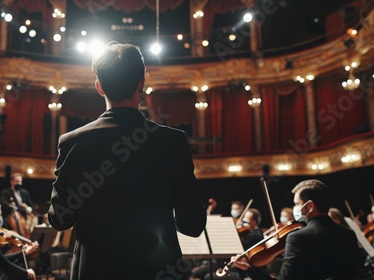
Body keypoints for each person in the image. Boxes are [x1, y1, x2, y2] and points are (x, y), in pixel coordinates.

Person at [48, 42, 206, 280]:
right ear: (141, 84)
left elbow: (60, 220)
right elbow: (192, 225)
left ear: (99, 87)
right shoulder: (173, 141)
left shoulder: (72, 142)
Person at [233, 179, 363, 279]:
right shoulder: (348, 234)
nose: (295, 208)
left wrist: (249, 269)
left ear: (310, 206)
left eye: (297, 204)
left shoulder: (298, 237)